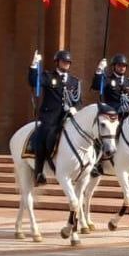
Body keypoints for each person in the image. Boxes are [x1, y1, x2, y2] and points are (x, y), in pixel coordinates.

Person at [27, 49, 81, 185]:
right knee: (43, 135)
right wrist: (34, 66)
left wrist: (75, 108)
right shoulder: (48, 76)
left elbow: (78, 100)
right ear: (57, 62)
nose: (66, 64)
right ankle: (39, 172)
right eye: (63, 61)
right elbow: (34, 82)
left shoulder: (74, 81)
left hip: (68, 115)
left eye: (68, 62)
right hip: (50, 115)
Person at [91, 53, 129, 117]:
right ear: (114, 66)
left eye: (124, 66)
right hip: (111, 114)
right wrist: (99, 70)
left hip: (127, 114)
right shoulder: (107, 80)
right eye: (119, 65)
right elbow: (96, 86)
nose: (122, 68)